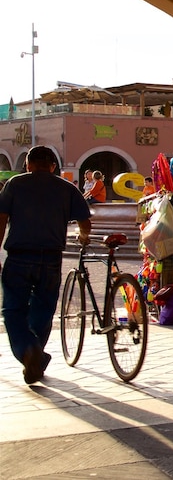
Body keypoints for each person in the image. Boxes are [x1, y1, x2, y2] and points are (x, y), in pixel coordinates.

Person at [0, 146, 92, 385]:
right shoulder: (66, 188)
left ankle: (29, 351)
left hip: (19, 256)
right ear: (53, 167)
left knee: (13, 310)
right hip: (51, 259)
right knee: (43, 310)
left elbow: (0, 220)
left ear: (28, 164)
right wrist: (82, 236)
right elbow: (85, 221)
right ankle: (35, 357)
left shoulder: (15, 185)